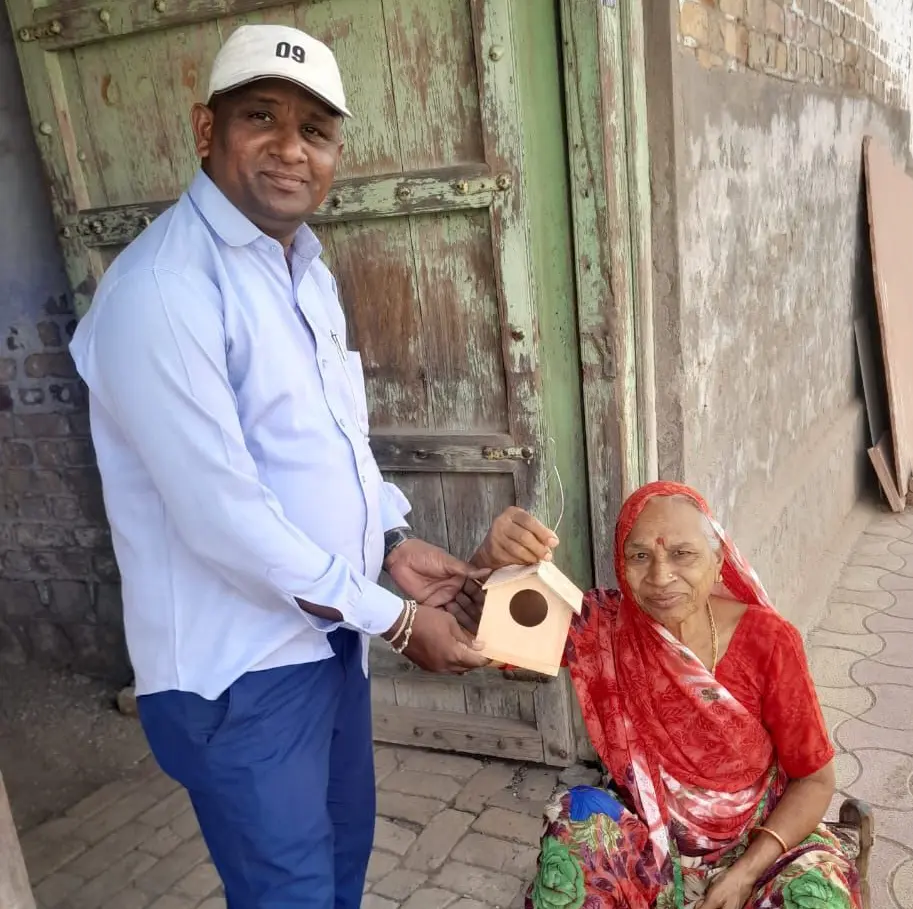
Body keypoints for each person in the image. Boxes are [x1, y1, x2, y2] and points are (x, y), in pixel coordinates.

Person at [69, 24, 489, 909]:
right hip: (240, 671)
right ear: (206, 129)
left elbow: (328, 444)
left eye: (316, 130)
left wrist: (390, 544)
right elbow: (226, 519)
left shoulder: (304, 270)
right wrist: (399, 623)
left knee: (340, 866)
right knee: (287, 894)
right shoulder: (164, 290)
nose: (292, 148)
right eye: (261, 116)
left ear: (336, 154)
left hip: (327, 638)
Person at [458, 481, 862, 909]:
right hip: (649, 839)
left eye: (682, 554)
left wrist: (745, 875)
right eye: (640, 556)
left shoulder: (769, 640)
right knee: (575, 817)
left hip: (761, 840)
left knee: (815, 898)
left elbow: (815, 780)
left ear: (719, 560)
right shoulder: (604, 627)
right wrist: (489, 561)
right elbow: (479, 635)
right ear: (621, 564)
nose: (660, 576)